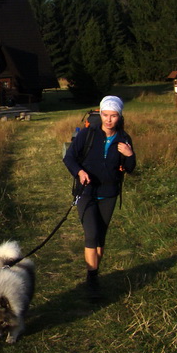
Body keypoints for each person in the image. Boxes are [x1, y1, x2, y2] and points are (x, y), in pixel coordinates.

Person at [63, 95, 136, 299]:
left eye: (113, 116)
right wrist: (79, 172)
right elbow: (69, 158)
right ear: (100, 114)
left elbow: (129, 169)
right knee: (92, 234)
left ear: (120, 117)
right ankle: (92, 279)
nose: (109, 119)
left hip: (109, 194)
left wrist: (130, 154)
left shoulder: (124, 139)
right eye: (105, 115)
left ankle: (94, 273)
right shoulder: (88, 134)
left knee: (101, 238)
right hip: (86, 192)